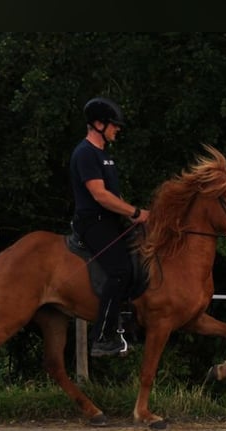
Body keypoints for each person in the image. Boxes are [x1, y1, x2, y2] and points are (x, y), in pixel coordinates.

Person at [70, 96, 150, 357]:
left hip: (111, 220)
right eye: (113, 124)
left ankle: (127, 322)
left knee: (140, 258)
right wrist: (136, 212)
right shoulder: (85, 153)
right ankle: (103, 338)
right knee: (119, 270)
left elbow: (113, 197)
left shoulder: (104, 156)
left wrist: (130, 216)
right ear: (97, 124)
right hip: (93, 222)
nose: (118, 129)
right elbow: (100, 195)